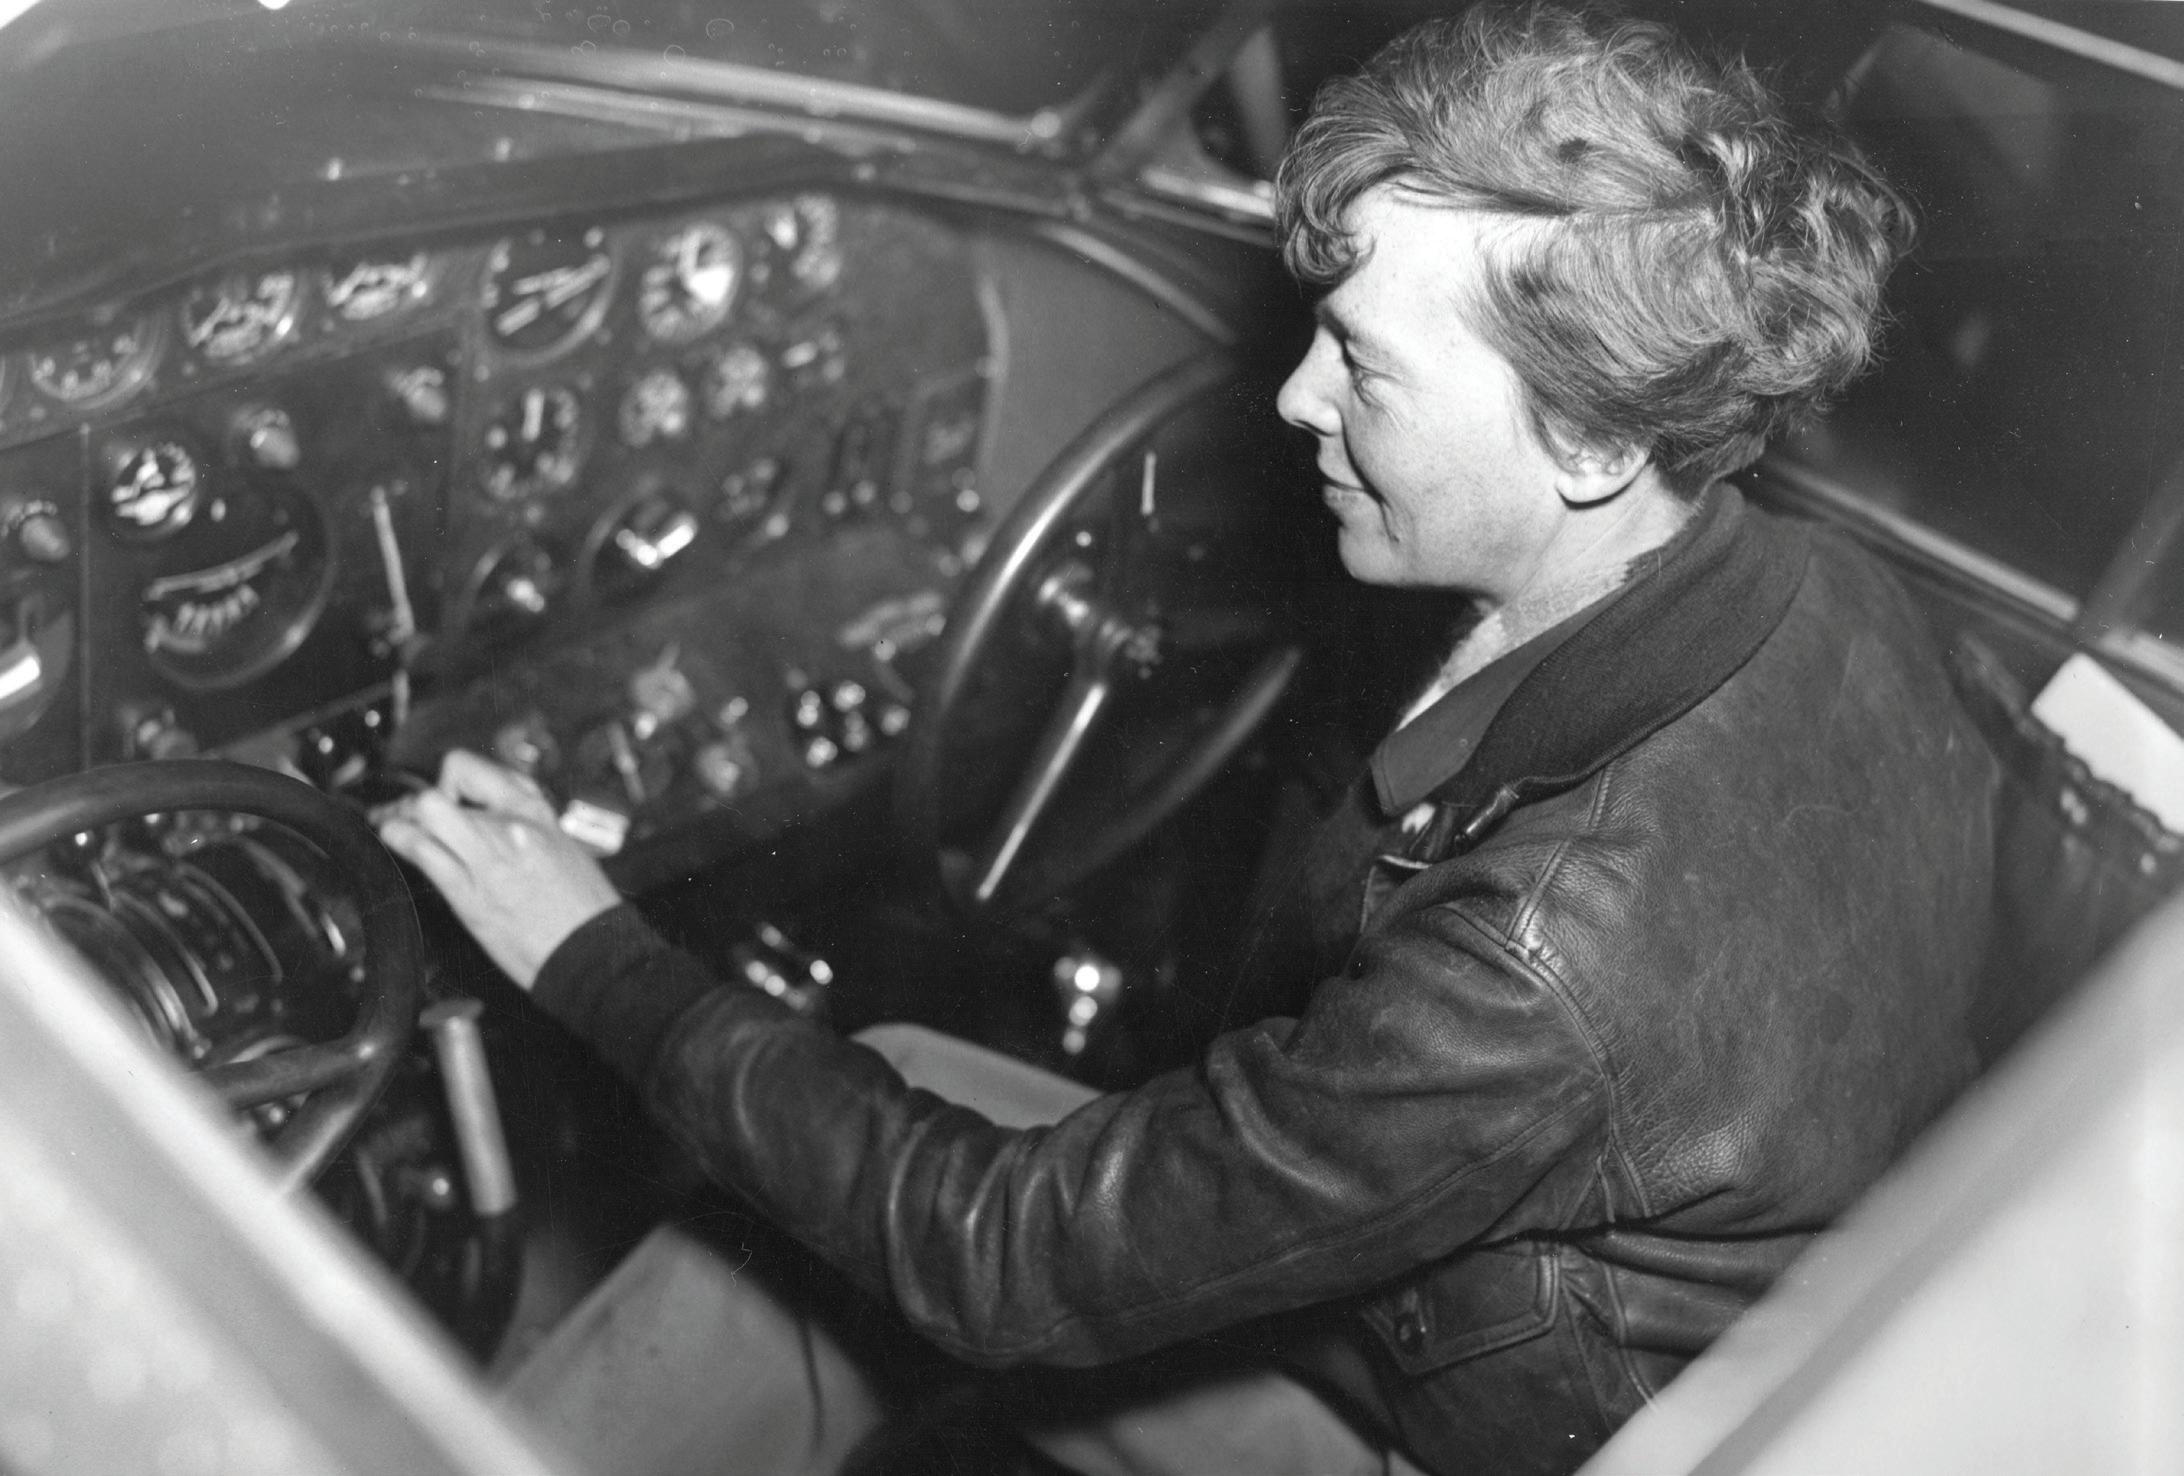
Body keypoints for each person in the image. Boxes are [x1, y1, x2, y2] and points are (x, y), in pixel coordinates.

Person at [378, 7, 1996, 1473]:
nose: (1295, 398)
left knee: (859, 1222)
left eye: (1363, 364)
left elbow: (1007, 1258)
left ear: (1585, 440)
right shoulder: (1836, 595)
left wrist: (593, 956)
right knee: (894, 1091)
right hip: (1588, 1339)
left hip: (1472, 1432)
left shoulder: (1537, 971)